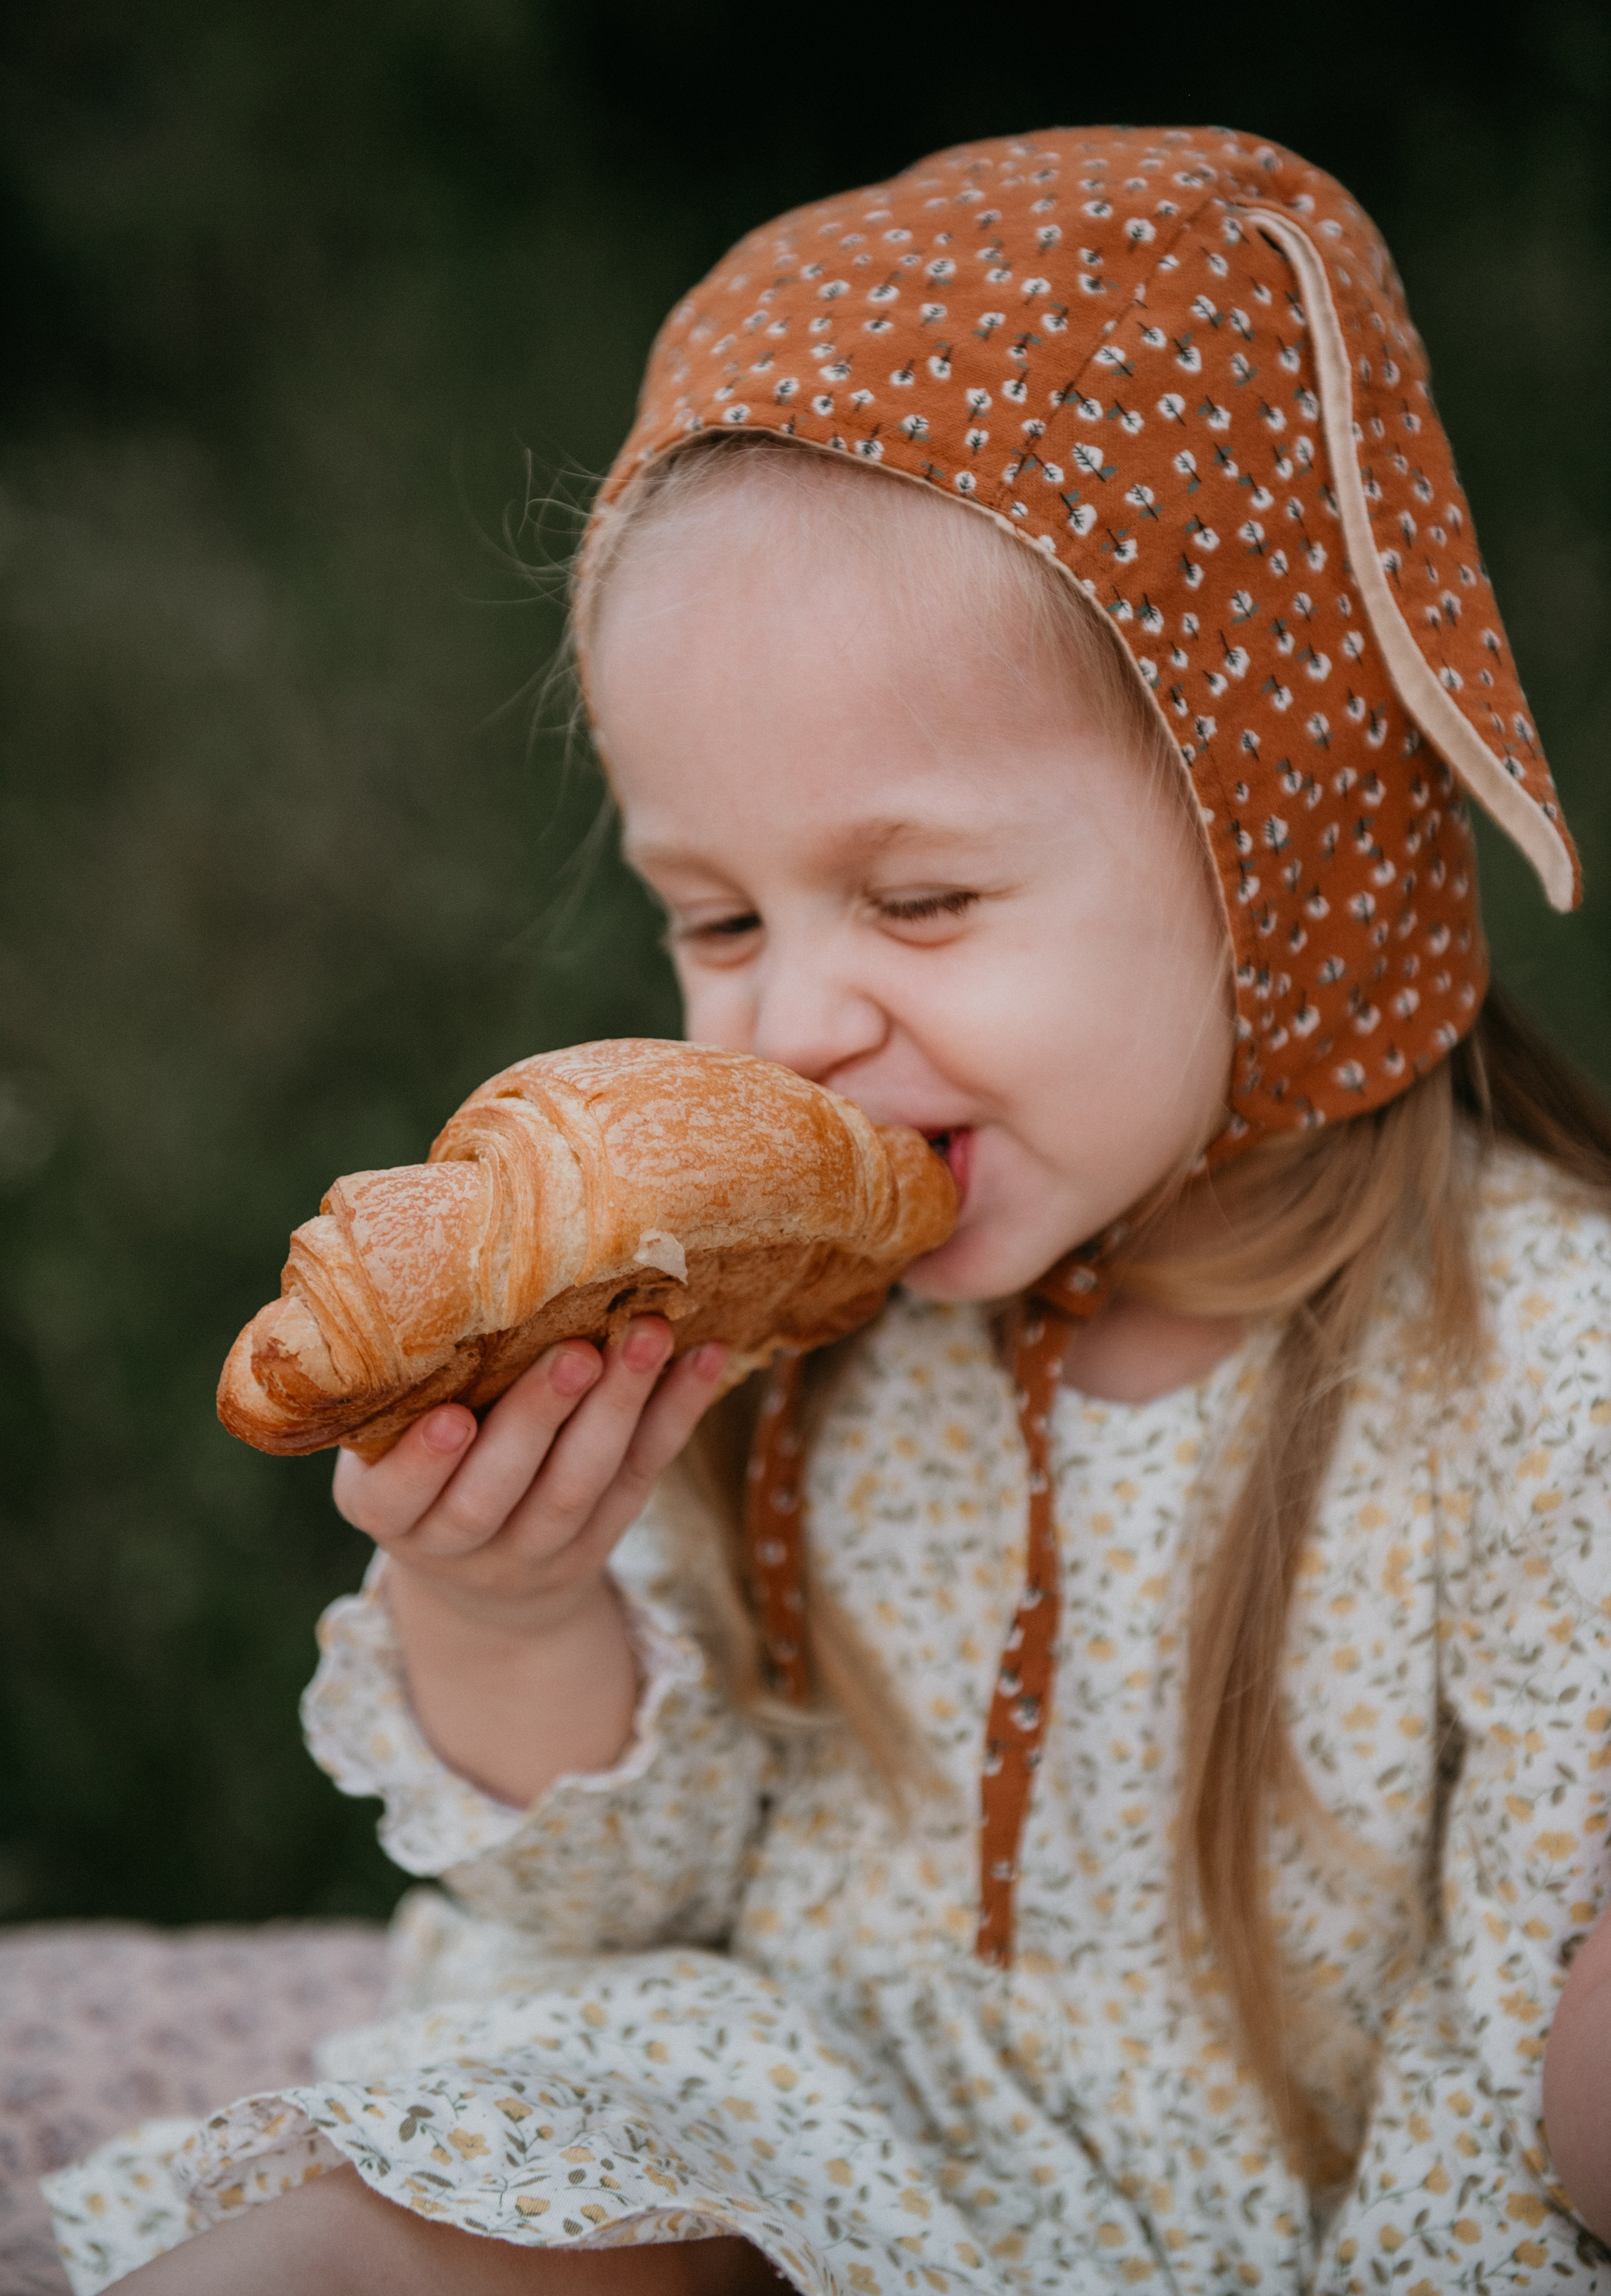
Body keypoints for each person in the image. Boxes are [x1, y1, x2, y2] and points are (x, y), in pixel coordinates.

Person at [47, 125, 1611, 2292]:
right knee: (335, 2247)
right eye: (715, 918)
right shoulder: (763, 1313)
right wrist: (511, 1615)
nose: (792, 1023)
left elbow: (1504, 2097)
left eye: (922, 900)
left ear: (1280, 839)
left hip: (1244, 2233)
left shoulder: (1541, 1368)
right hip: (777, 2148)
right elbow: (626, 1912)